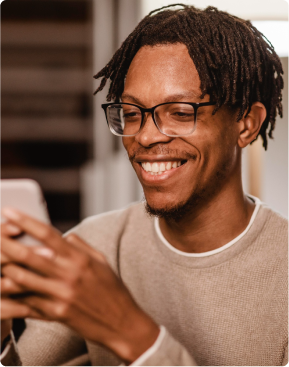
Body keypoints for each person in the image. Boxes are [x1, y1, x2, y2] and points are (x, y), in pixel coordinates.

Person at [0, 3, 287, 367]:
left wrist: (131, 333)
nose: (146, 137)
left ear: (246, 124)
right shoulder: (97, 246)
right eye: (132, 114)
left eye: (181, 112)